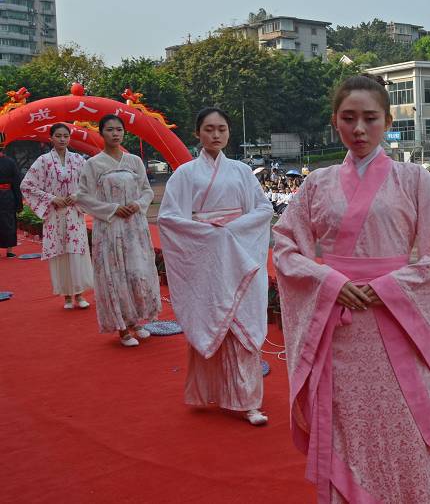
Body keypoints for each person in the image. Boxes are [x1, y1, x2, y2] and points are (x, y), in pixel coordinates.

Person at [273, 74, 430, 503]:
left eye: (370, 118)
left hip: (398, 325)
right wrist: (328, 280)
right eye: (349, 118)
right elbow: (286, 246)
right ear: (336, 122)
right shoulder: (316, 184)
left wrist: (394, 285)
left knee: (404, 427)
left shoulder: (416, 181)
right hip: (339, 330)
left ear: (387, 120)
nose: (359, 129)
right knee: (344, 426)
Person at [158, 108, 274, 426]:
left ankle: (249, 401)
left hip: (238, 256)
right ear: (198, 134)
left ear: (228, 132)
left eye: (222, 129)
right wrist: (208, 234)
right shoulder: (184, 174)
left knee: (241, 326)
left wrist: (232, 230)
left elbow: (263, 209)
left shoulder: (240, 171)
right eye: (209, 129)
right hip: (206, 259)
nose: (216, 135)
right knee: (213, 323)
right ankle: (210, 392)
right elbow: (168, 218)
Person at [76, 114, 161, 347]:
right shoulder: (93, 165)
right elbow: (83, 197)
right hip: (110, 228)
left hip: (135, 227)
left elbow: (147, 190)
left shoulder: (134, 161)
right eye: (110, 130)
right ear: (101, 133)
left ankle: (136, 322)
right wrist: (112, 209)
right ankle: (122, 328)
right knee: (115, 275)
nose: (115, 134)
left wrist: (138, 204)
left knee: (137, 271)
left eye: (119, 130)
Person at [19, 123, 95, 309]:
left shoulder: (78, 160)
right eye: (58, 135)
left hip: (74, 214)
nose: (62, 139)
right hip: (54, 214)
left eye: (65, 136)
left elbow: (91, 182)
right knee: (60, 253)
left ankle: (79, 293)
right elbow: (26, 185)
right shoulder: (43, 161)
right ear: (51, 138)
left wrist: (76, 196)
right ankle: (67, 296)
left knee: (76, 252)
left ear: (70, 138)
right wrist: (52, 198)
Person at [0, 146, 23, 257]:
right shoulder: (10, 162)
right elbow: (16, 183)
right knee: (9, 221)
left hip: (6, 195)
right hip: (7, 195)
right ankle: (9, 251)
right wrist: (19, 203)